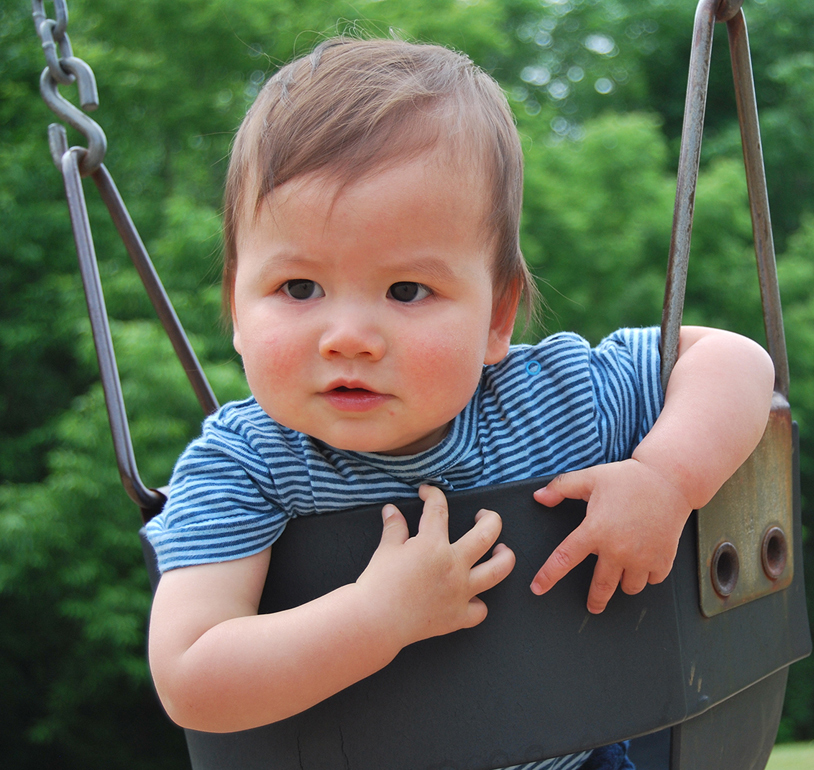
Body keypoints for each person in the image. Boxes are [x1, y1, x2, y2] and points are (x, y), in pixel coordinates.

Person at [145, 35, 775, 770]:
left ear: (497, 317)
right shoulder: (244, 466)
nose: (349, 338)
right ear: (235, 307)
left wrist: (666, 479)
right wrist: (376, 619)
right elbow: (191, 676)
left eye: (407, 291)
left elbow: (733, 361)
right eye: (299, 289)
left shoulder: (555, 400)